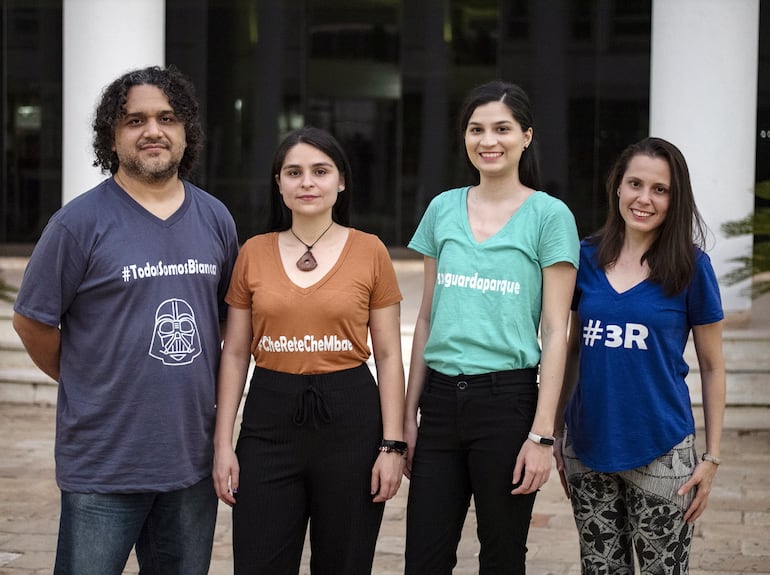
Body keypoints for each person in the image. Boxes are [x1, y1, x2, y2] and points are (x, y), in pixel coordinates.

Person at [12, 66, 239, 574]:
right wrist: (89, 378)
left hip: (190, 461)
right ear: (112, 138)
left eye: (166, 118)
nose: (152, 130)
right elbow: (32, 322)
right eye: (134, 120)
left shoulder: (216, 219)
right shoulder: (77, 223)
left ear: (186, 132)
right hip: (103, 462)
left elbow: (225, 323)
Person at [403, 80, 580, 574]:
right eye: (476, 129)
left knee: (502, 555)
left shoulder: (549, 216)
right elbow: (426, 318)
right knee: (423, 557)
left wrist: (543, 435)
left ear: (526, 136)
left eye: (502, 129)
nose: (488, 141)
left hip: (507, 402)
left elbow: (555, 328)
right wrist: (407, 418)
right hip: (439, 404)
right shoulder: (442, 208)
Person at [212, 126, 406, 574]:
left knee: (344, 563)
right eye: (294, 172)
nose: (307, 182)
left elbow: (390, 356)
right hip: (269, 422)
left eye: (320, 171)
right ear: (278, 184)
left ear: (341, 181)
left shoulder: (371, 250)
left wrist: (392, 445)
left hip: (352, 423)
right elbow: (236, 353)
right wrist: (223, 444)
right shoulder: (253, 252)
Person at [555, 137, 726, 573]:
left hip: (664, 454)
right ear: (617, 187)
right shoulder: (585, 258)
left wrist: (712, 457)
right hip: (587, 447)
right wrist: (555, 431)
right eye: (635, 183)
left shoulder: (691, 267)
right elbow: (572, 347)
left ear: (675, 198)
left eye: (660, 189)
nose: (644, 199)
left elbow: (712, 365)